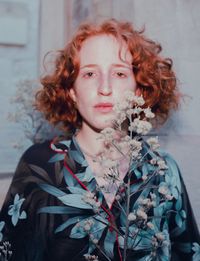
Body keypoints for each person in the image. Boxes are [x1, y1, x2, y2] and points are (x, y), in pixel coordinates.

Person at [0, 18, 200, 261]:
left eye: (118, 73)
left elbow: (188, 252)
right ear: (71, 91)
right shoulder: (38, 165)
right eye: (90, 73)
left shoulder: (164, 171)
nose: (104, 87)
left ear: (138, 89)